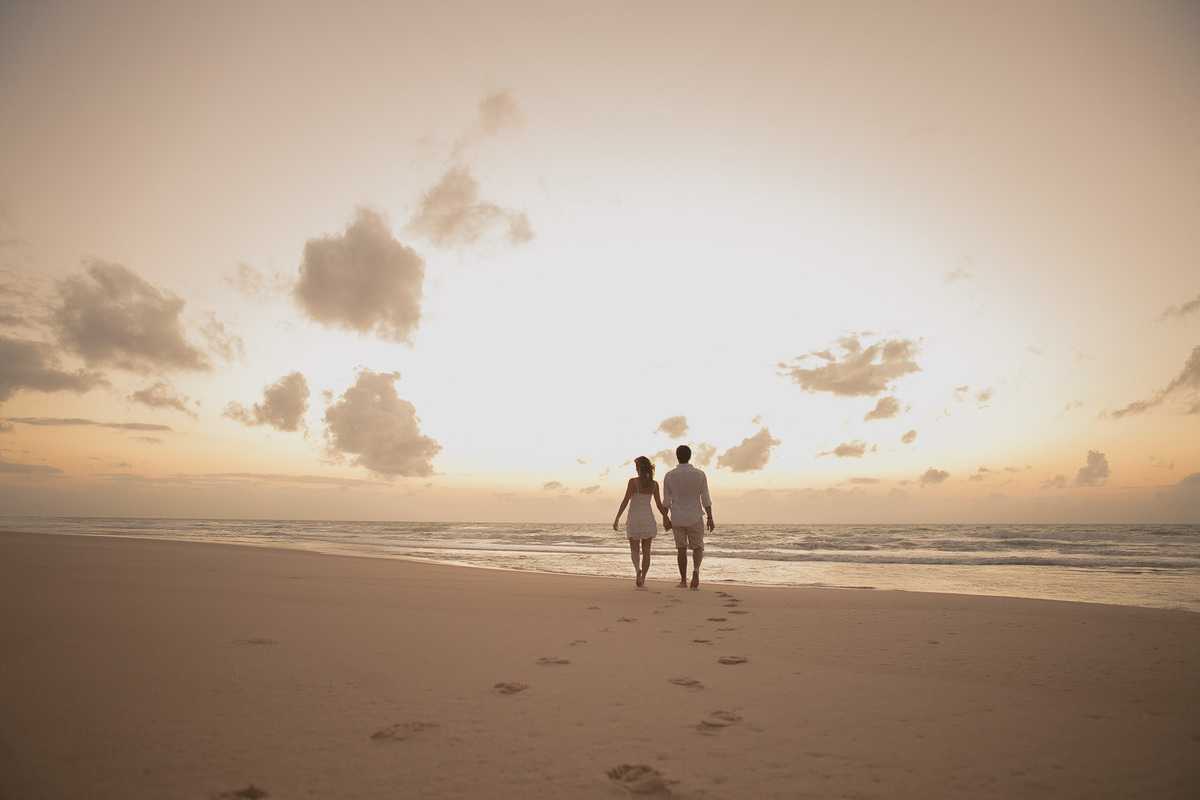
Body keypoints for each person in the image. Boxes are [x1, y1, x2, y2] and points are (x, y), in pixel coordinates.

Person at [612, 456, 671, 587]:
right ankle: (643, 577)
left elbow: (625, 500)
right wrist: (666, 517)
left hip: (634, 518)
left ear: (638, 468)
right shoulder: (654, 484)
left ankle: (637, 570)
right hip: (647, 518)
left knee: (634, 550)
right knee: (646, 551)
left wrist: (617, 517)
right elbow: (658, 504)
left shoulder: (633, 482)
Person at [662, 444, 714, 589]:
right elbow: (705, 498)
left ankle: (683, 580)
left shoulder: (670, 475)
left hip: (677, 516)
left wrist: (665, 518)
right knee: (698, 547)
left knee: (681, 549)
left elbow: (666, 500)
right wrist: (710, 518)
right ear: (690, 456)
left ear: (677, 457)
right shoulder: (699, 474)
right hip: (695, 515)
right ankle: (696, 570)